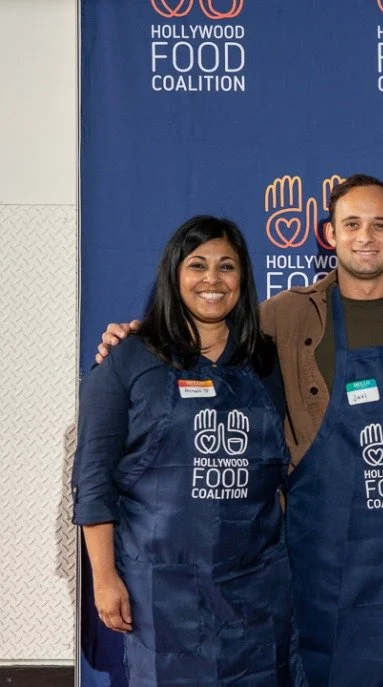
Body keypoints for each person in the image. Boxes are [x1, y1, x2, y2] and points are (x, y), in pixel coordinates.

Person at [97, 175, 383, 687]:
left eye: (380, 225)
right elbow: (205, 326)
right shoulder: (285, 316)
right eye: (351, 224)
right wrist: (136, 337)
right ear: (330, 234)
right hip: (322, 556)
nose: (365, 237)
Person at [73, 216, 300, 686]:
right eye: (197, 265)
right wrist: (104, 577)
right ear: (174, 274)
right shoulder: (128, 360)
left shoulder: (266, 363)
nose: (212, 280)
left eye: (226, 266)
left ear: (243, 279)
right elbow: (93, 481)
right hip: (162, 592)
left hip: (256, 588)